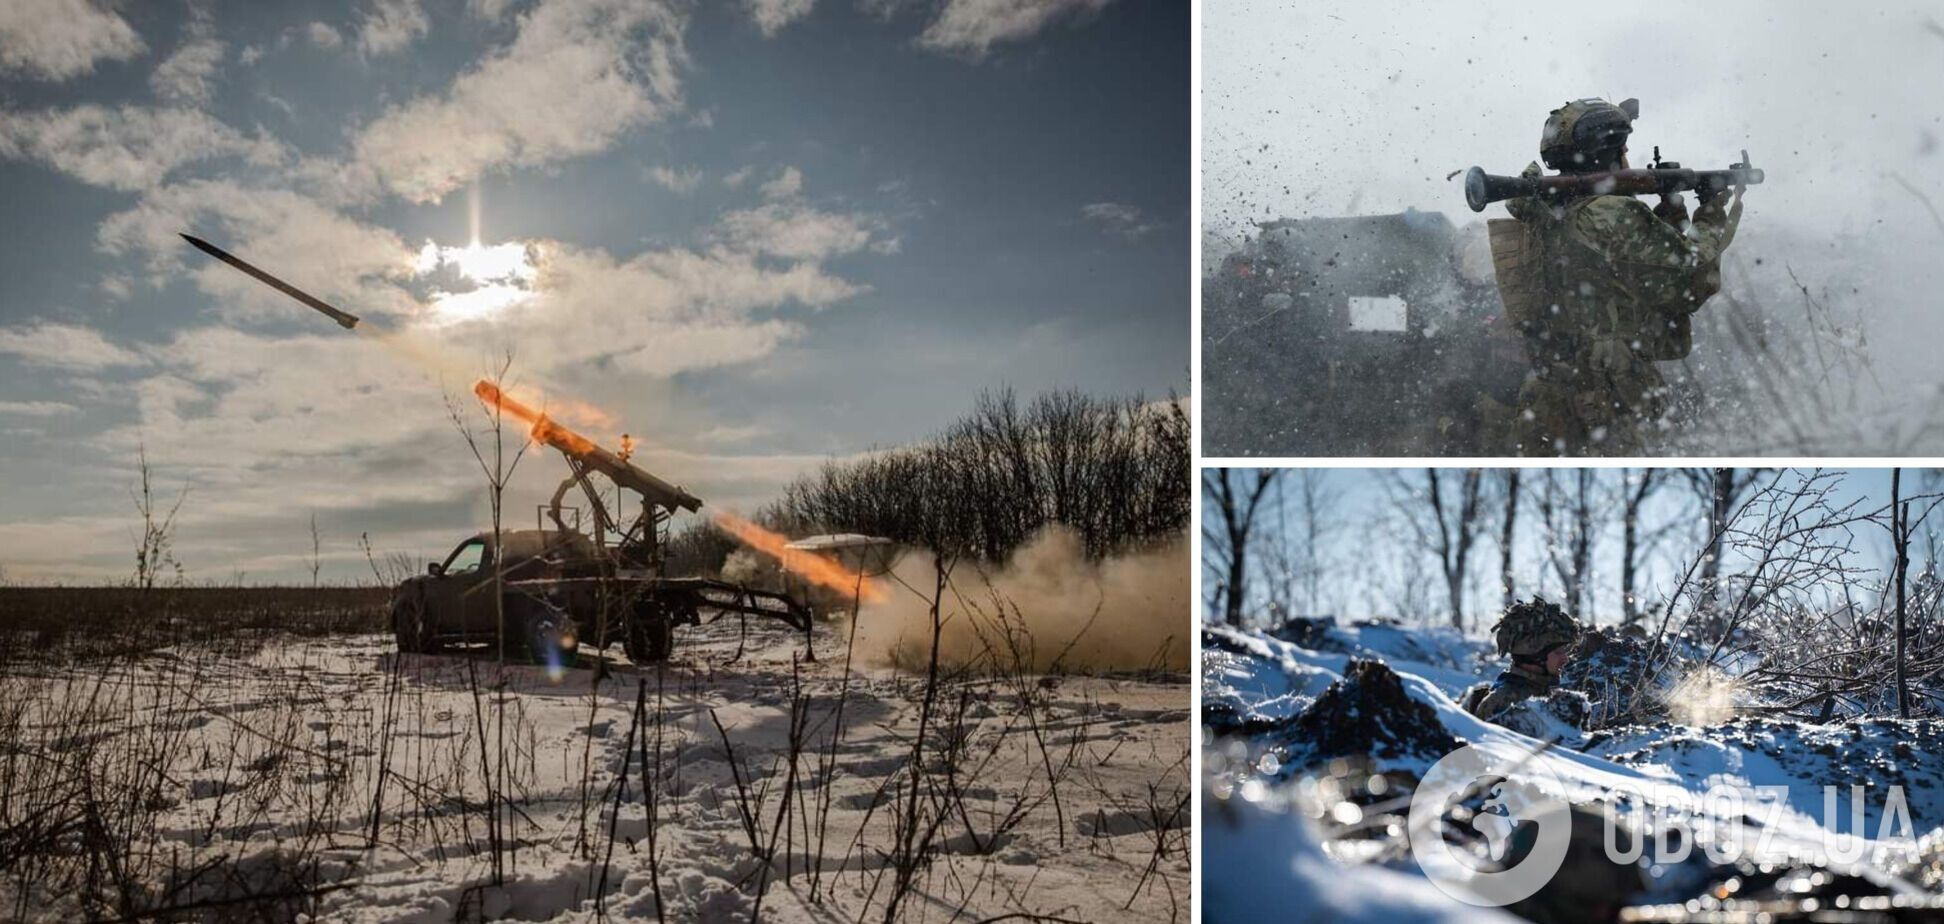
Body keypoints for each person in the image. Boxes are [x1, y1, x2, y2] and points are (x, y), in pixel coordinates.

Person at [1485, 97, 1745, 455]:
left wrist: (1670, 211)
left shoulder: (1544, 206)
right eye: (1622, 147)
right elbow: (1689, 282)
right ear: (1604, 150)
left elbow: (1622, 270)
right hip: (1613, 395)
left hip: (1552, 388)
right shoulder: (1609, 212)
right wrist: (1712, 211)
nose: (1626, 155)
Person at [1463, 597, 1582, 722]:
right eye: (1558, 652)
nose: (1565, 659)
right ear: (1535, 656)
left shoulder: (1545, 692)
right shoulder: (1504, 702)